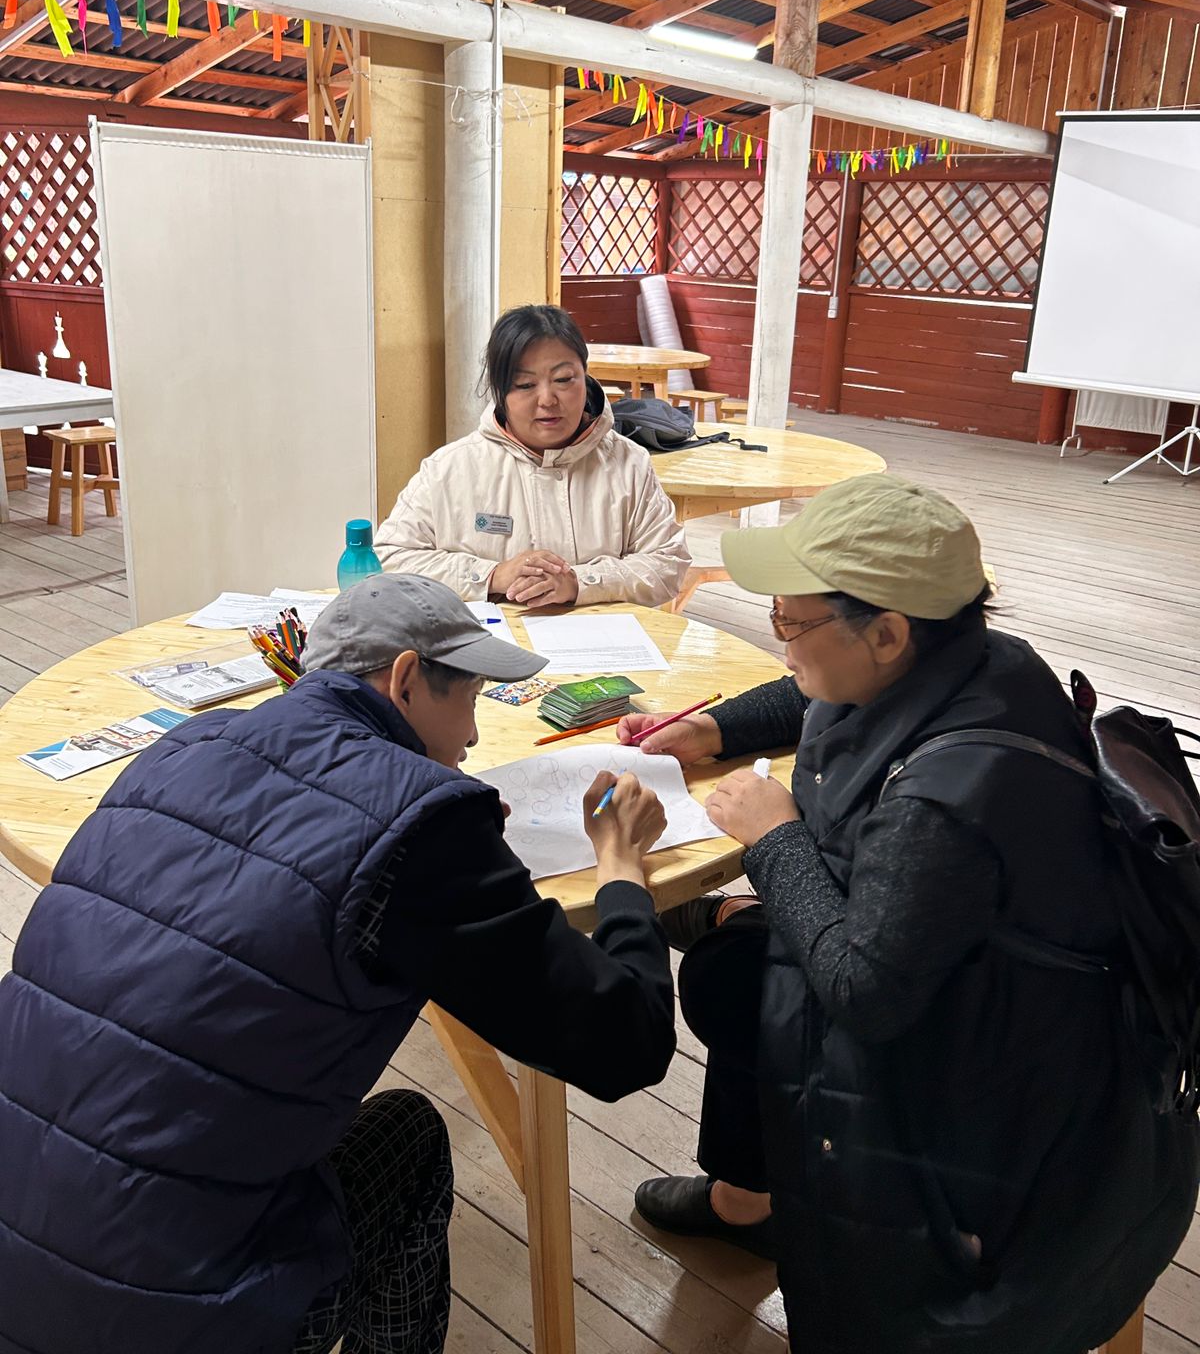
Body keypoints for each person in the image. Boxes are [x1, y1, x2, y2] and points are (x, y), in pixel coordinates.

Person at [0, 574, 677, 1354]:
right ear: (406, 679)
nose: (472, 737)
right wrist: (621, 866)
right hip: (164, 1322)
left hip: (20, 1261)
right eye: (471, 699)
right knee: (409, 1141)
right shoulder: (421, 827)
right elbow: (626, 1042)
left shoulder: (184, 745)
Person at [618, 475, 1200, 1354]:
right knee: (732, 963)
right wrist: (716, 730)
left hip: (991, 1086)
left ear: (888, 633)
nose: (780, 642)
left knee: (732, 976)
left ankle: (773, 1199)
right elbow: (815, 690)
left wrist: (775, 838)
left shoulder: (947, 799)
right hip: (1011, 989)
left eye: (789, 622)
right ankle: (748, 1196)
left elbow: (867, 990)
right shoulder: (982, 661)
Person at [375, 304, 690, 608]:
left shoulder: (629, 464)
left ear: (585, 377)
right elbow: (389, 557)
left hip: (605, 644)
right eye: (525, 384)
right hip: (485, 642)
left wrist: (581, 582)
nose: (547, 400)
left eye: (563, 379)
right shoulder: (449, 469)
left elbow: (668, 563)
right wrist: (492, 575)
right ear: (500, 392)